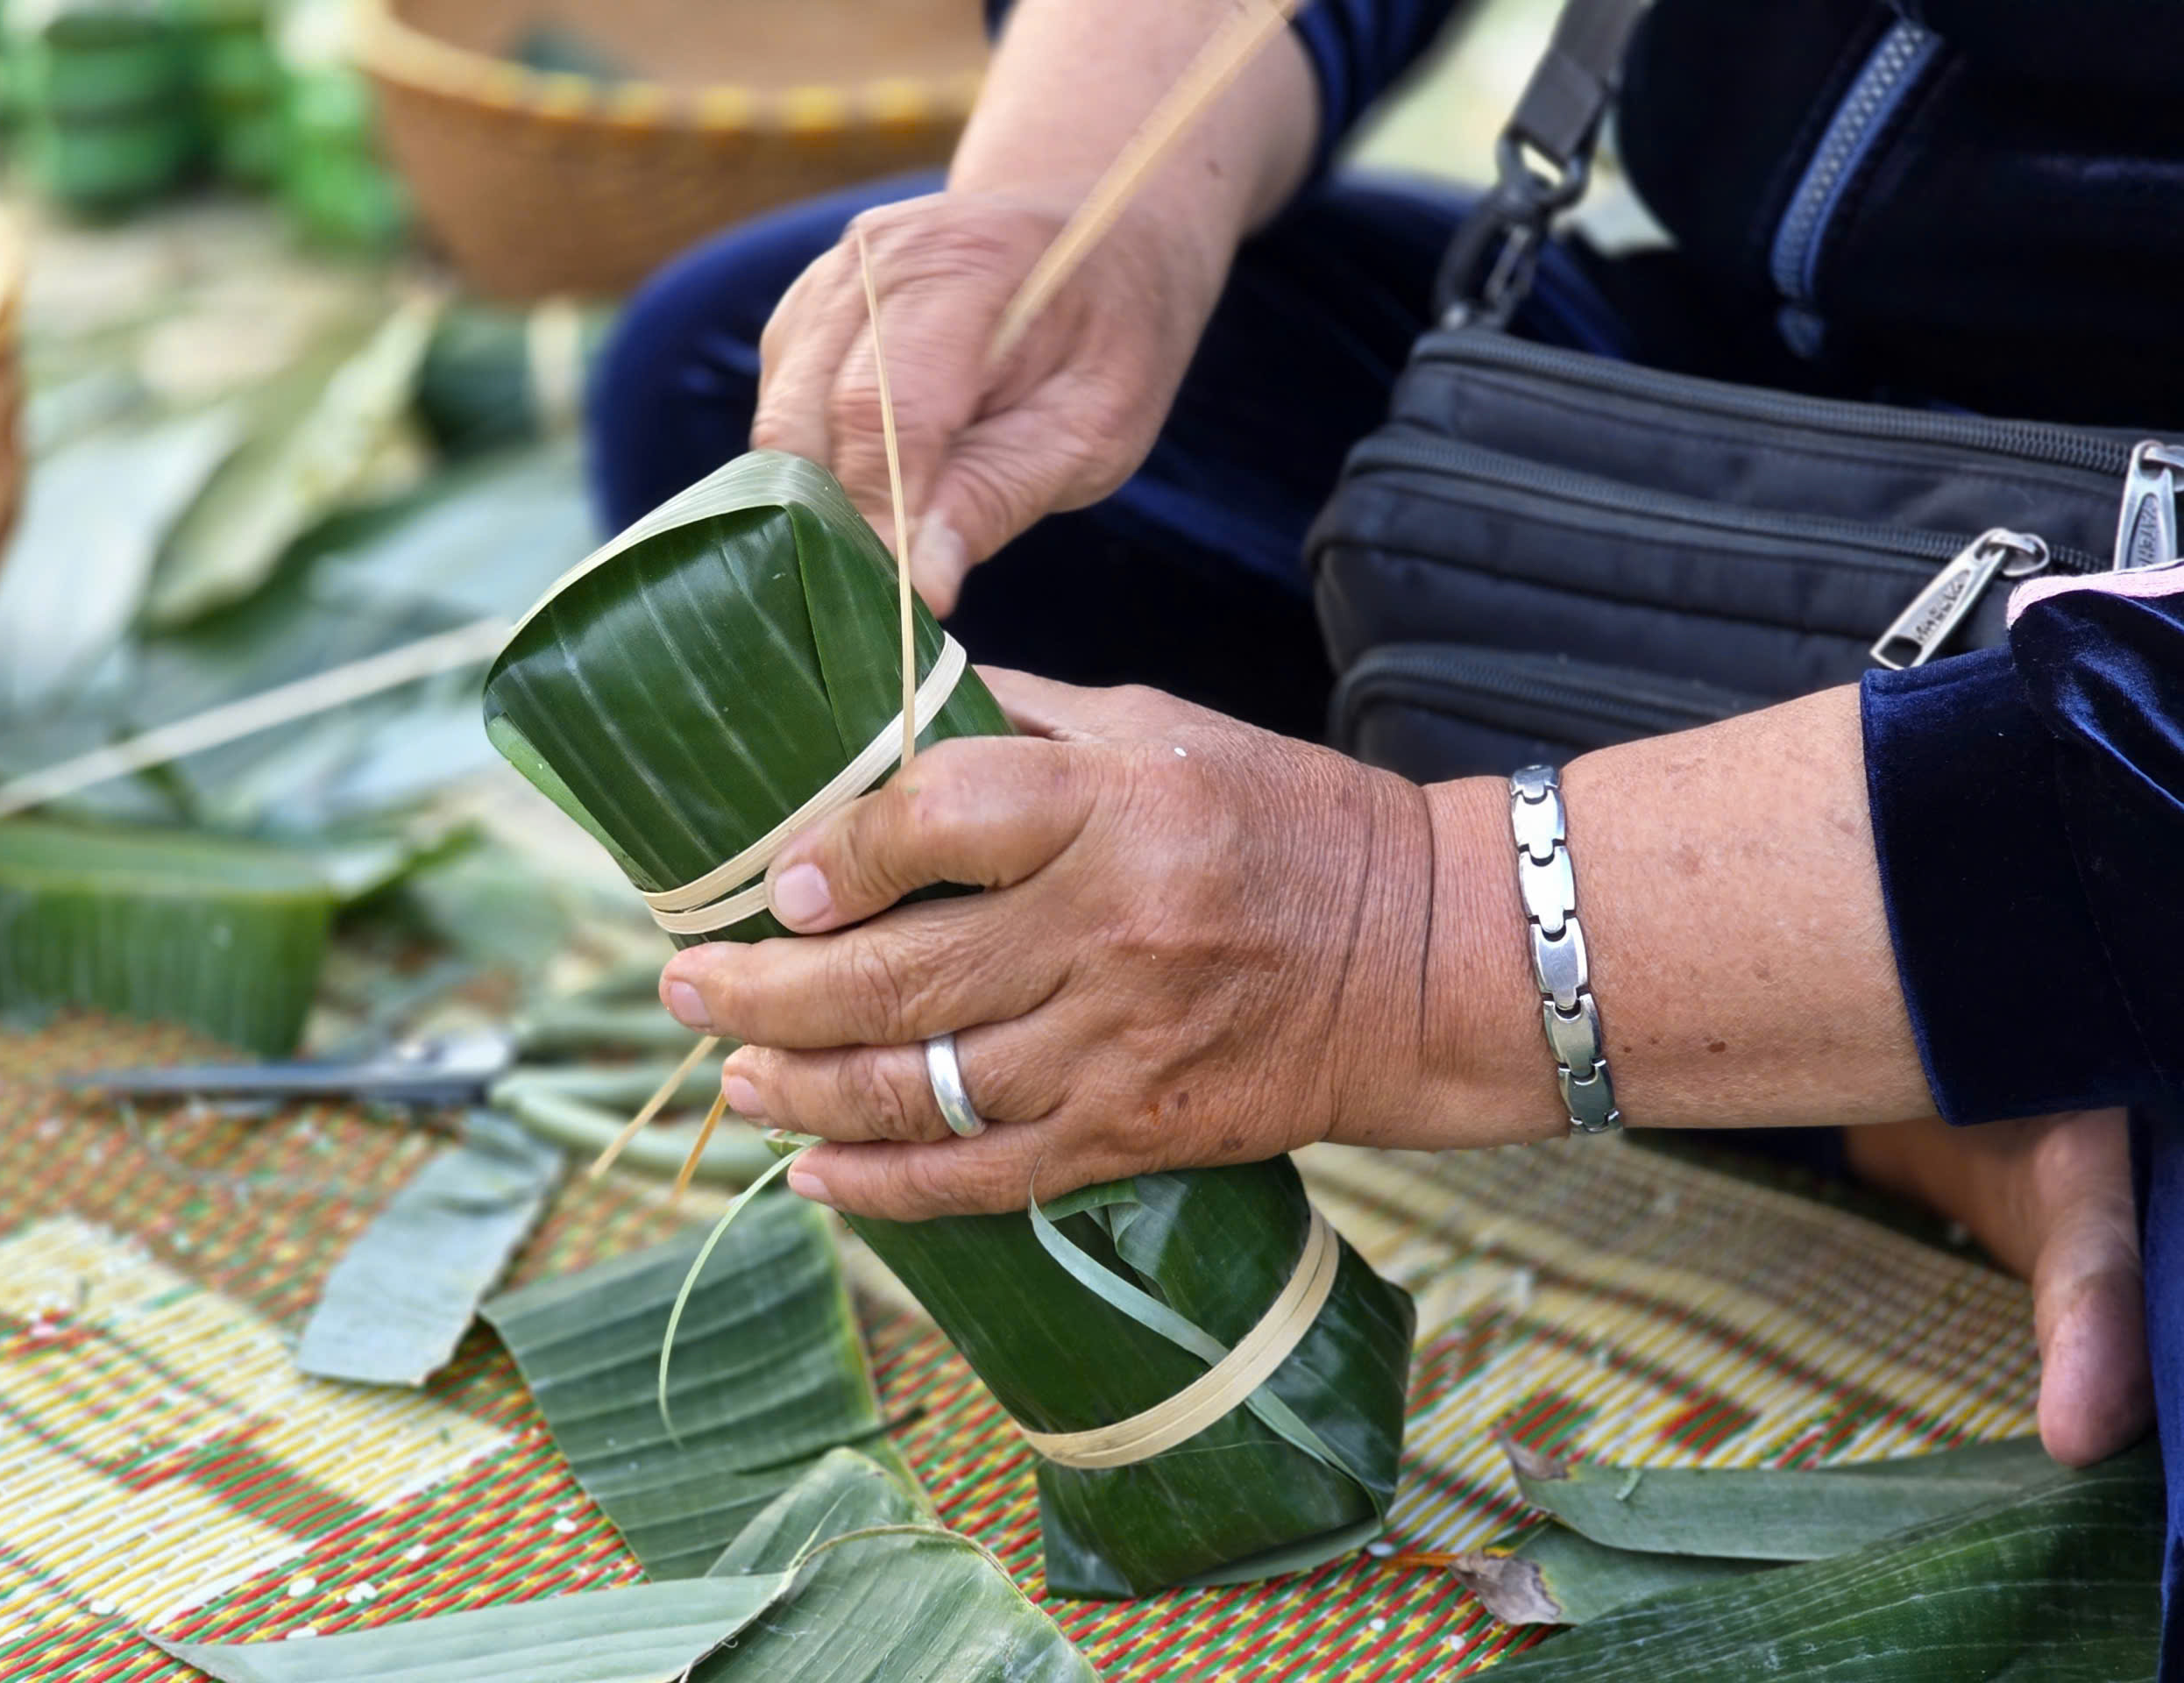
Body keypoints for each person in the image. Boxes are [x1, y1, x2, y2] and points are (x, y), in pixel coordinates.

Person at [595, 0, 2181, 1656]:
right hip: (1766, 424)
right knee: (765, 450)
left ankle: (1985, 995)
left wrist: (1415, 935)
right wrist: (1077, 211)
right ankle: (1927, 1077)